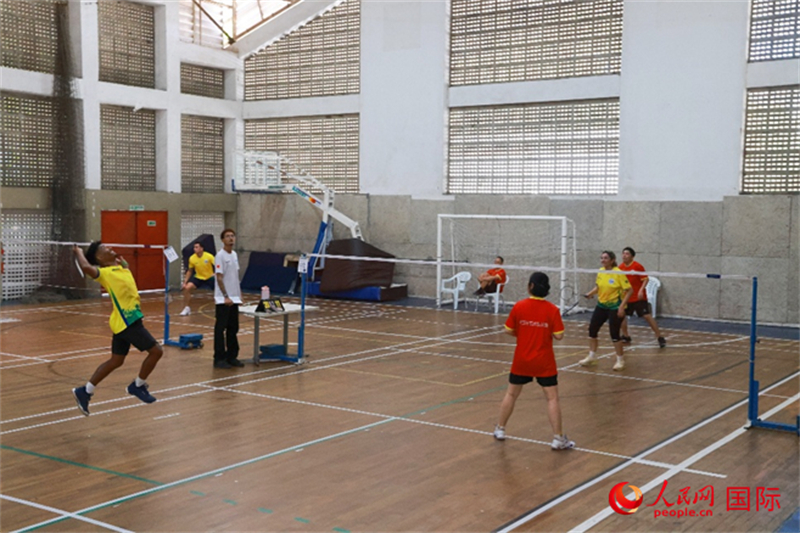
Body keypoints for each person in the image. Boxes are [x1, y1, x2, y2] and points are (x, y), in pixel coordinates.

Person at [71, 242, 164, 416]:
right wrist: (78, 251)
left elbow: (126, 279)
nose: (109, 248)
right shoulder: (105, 273)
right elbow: (86, 267)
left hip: (123, 322)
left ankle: (85, 391)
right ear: (99, 257)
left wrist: (124, 265)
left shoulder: (121, 269)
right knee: (156, 351)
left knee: (116, 361)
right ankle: (137, 385)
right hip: (128, 321)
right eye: (104, 248)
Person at [493, 272, 575, 450]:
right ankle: (558, 438)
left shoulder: (519, 306)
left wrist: (523, 332)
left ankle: (500, 429)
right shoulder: (552, 310)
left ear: (530, 286)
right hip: (544, 362)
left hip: (522, 360)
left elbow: (508, 329)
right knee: (552, 398)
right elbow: (559, 336)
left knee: (511, 394)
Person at [579, 251, 633, 371]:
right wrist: (590, 293)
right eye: (601, 258)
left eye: (605, 258)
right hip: (601, 306)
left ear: (612, 260)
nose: (602, 260)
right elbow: (598, 287)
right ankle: (592, 357)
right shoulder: (601, 271)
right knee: (592, 330)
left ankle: (620, 360)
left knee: (614, 334)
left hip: (615, 307)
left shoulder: (618, 273)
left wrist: (622, 307)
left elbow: (629, 290)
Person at [619, 247, 666, 348]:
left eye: (627, 254)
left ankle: (659, 337)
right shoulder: (620, 267)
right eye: (623, 253)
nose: (624, 256)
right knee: (622, 315)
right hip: (626, 297)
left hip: (638, 297)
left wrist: (641, 290)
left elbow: (645, 279)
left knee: (647, 316)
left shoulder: (637, 266)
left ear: (632, 256)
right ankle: (626, 336)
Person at [213, 228, 243, 369]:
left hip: (234, 299)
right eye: (227, 236)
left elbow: (235, 277)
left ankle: (232, 356)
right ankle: (219, 358)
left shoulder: (234, 255)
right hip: (223, 300)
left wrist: (239, 295)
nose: (231, 238)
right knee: (220, 329)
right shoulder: (220, 256)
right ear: (223, 240)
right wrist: (225, 296)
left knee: (233, 328)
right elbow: (219, 277)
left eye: (232, 236)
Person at [179, 242, 215, 316]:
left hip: (209, 277)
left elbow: (218, 265)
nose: (194, 249)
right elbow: (190, 271)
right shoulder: (192, 258)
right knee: (187, 288)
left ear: (201, 248)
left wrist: (216, 273)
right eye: (194, 247)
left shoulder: (209, 256)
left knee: (220, 290)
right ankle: (187, 308)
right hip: (199, 277)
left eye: (196, 247)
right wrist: (185, 282)